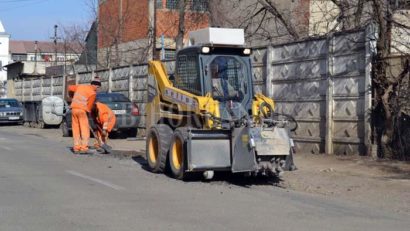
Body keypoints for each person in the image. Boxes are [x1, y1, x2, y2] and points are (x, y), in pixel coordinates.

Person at [68, 77, 101, 154]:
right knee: (84, 129)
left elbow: (69, 87)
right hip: (82, 111)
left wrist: (71, 97)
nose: (97, 89)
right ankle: (83, 147)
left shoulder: (81, 86)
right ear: (95, 85)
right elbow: (89, 107)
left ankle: (76, 147)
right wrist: (88, 113)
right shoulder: (93, 93)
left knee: (76, 129)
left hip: (73, 109)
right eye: (98, 87)